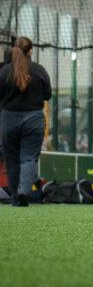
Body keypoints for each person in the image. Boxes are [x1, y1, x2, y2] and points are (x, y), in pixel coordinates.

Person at [0, 37, 51, 207]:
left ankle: (15, 196)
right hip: (33, 119)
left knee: (11, 159)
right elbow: (48, 95)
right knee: (29, 158)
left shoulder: (4, 71)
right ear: (30, 51)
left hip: (9, 119)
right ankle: (24, 192)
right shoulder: (39, 70)